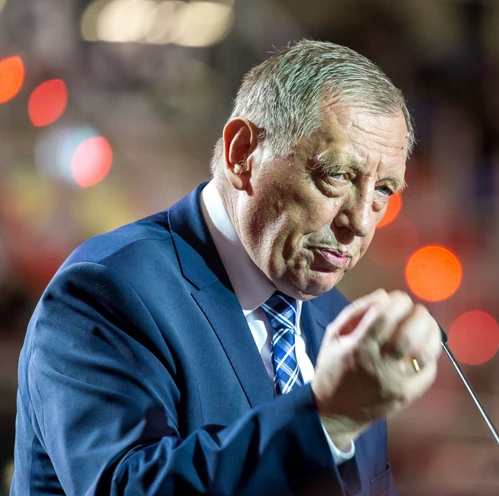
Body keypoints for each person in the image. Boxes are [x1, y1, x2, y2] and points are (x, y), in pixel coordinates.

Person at [12, 40, 442, 496]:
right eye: (337, 175)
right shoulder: (106, 289)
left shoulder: (339, 323)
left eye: (384, 190)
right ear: (242, 153)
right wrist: (326, 417)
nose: (360, 222)